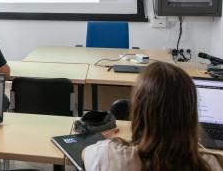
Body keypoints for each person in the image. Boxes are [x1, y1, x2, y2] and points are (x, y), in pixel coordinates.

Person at [82, 62, 223, 171]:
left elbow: (85, 153)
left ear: (138, 110)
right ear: (191, 115)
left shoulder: (109, 155)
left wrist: (107, 141)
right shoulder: (210, 165)